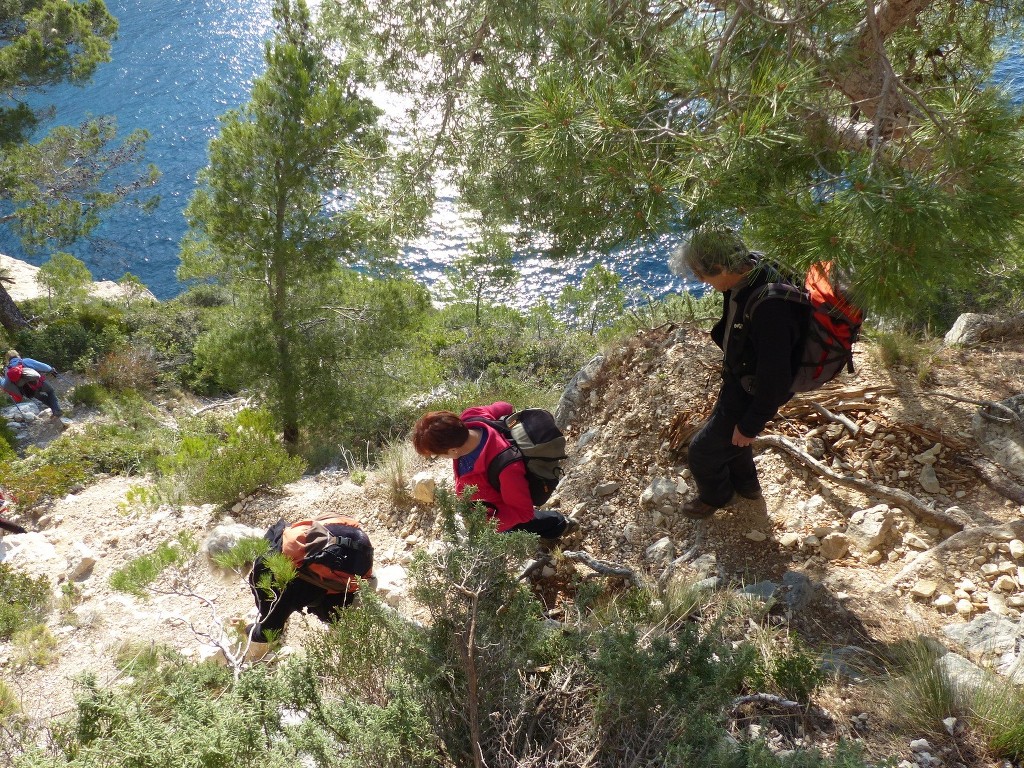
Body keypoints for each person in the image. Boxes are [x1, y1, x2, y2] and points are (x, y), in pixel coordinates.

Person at [668, 229, 808, 520]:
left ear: (720, 267)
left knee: (702, 453)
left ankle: (717, 497)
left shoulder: (770, 308)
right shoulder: (752, 269)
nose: (701, 281)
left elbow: (775, 378)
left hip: (752, 390)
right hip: (741, 379)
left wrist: (751, 424)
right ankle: (748, 487)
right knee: (732, 440)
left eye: (702, 274)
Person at [411, 401, 574, 541]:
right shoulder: (471, 417)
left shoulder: (506, 467)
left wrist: (487, 524)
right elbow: (505, 406)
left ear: (453, 450)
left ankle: (560, 525)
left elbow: (523, 512)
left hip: (500, 516)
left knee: (534, 524)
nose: (436, 457)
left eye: (436, 455)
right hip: (492, 507)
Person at [243, 515, 374, 660]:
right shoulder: (281, 530)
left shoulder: (263, 574)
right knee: (308, 587)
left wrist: (246, 629)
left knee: (325, 606)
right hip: (362, 559)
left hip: (345, 595)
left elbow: (270, 631)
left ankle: (351, 645)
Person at [1, 349, 65, 420]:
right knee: (50, 391)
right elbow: (42, 366)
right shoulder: (25, 361)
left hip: (28, 391)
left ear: (8, 360)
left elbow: (5, 384)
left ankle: (55, 410)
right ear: (17, 355)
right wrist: (51, 369)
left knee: (42, 398)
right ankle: (57, 410)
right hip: (39, 383)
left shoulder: (8, 369)